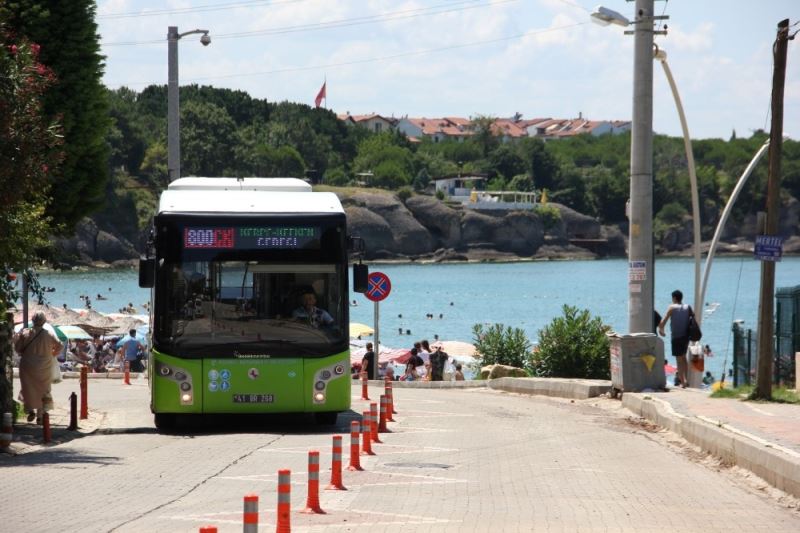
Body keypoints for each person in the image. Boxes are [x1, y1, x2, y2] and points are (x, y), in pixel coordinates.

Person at [13, 311, 63, 423]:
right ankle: (41, 415)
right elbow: (60, 345)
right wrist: (52, 354)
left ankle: (30, 410)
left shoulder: (26, 333)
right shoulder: (49, 334)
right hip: (44, 365)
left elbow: (17, 348)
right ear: (44, 321)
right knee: (43, 389)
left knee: (28, 387)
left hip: (28, 365)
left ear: (33, 321)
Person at [658, 289, 691, 388]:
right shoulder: (687, 307)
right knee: (684, 357)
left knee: (678, 359)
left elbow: (663, 322)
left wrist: (661, 331)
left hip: (676, 337)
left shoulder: (672, 307)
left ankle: (683, 382)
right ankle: (686, 379)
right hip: (686, 336)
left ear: (674, 298)